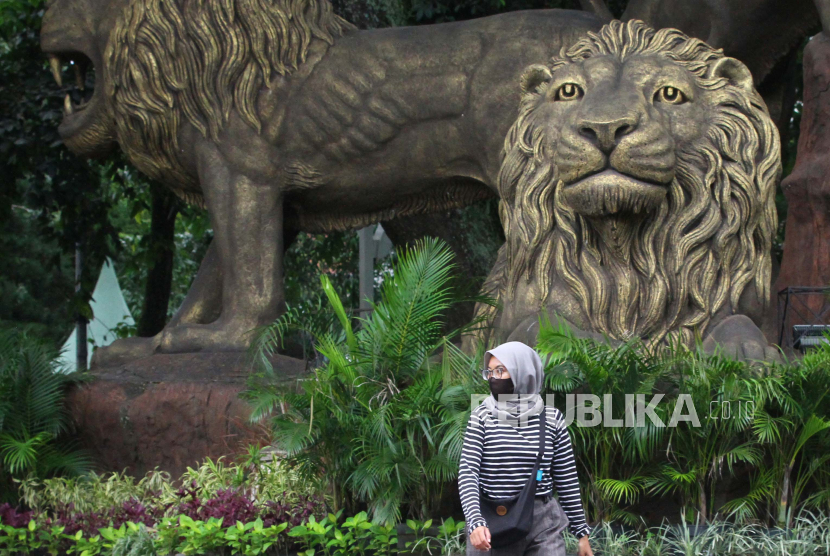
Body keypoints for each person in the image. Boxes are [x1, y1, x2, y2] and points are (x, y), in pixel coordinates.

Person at [458, 341, 594, 556]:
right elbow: (468, 473)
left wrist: (581, 533)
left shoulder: (551, 419)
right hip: (490, 525)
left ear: (523, 372)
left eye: (501, 371)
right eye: (489, 372)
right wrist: (475, 522)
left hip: (542, 524)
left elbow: (566, 479)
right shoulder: (482, 416)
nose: (493, 377)